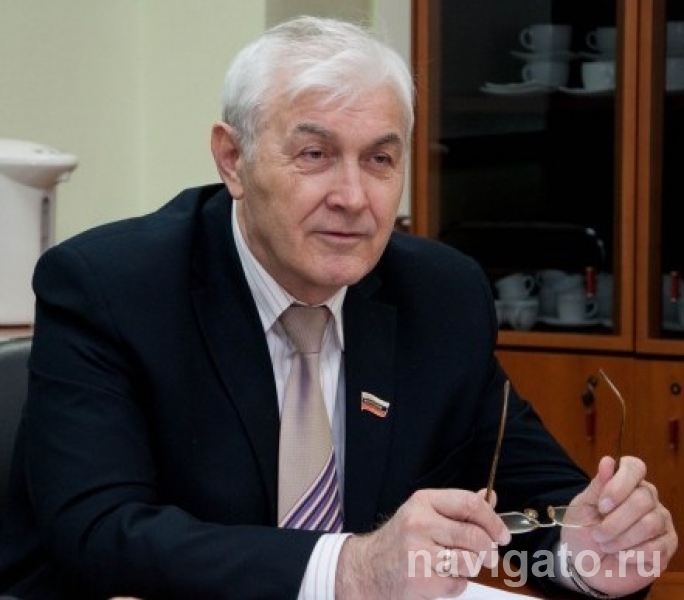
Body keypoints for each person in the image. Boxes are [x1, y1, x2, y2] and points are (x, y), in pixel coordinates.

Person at [0, 15, 676, 600]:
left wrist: (587, 553)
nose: (353, 197)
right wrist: (349, 569)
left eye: (380, 159)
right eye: (315, 154)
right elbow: (100, 533)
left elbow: (537, 503)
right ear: (233, 160)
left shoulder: (441, 296)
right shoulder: (111, 288)